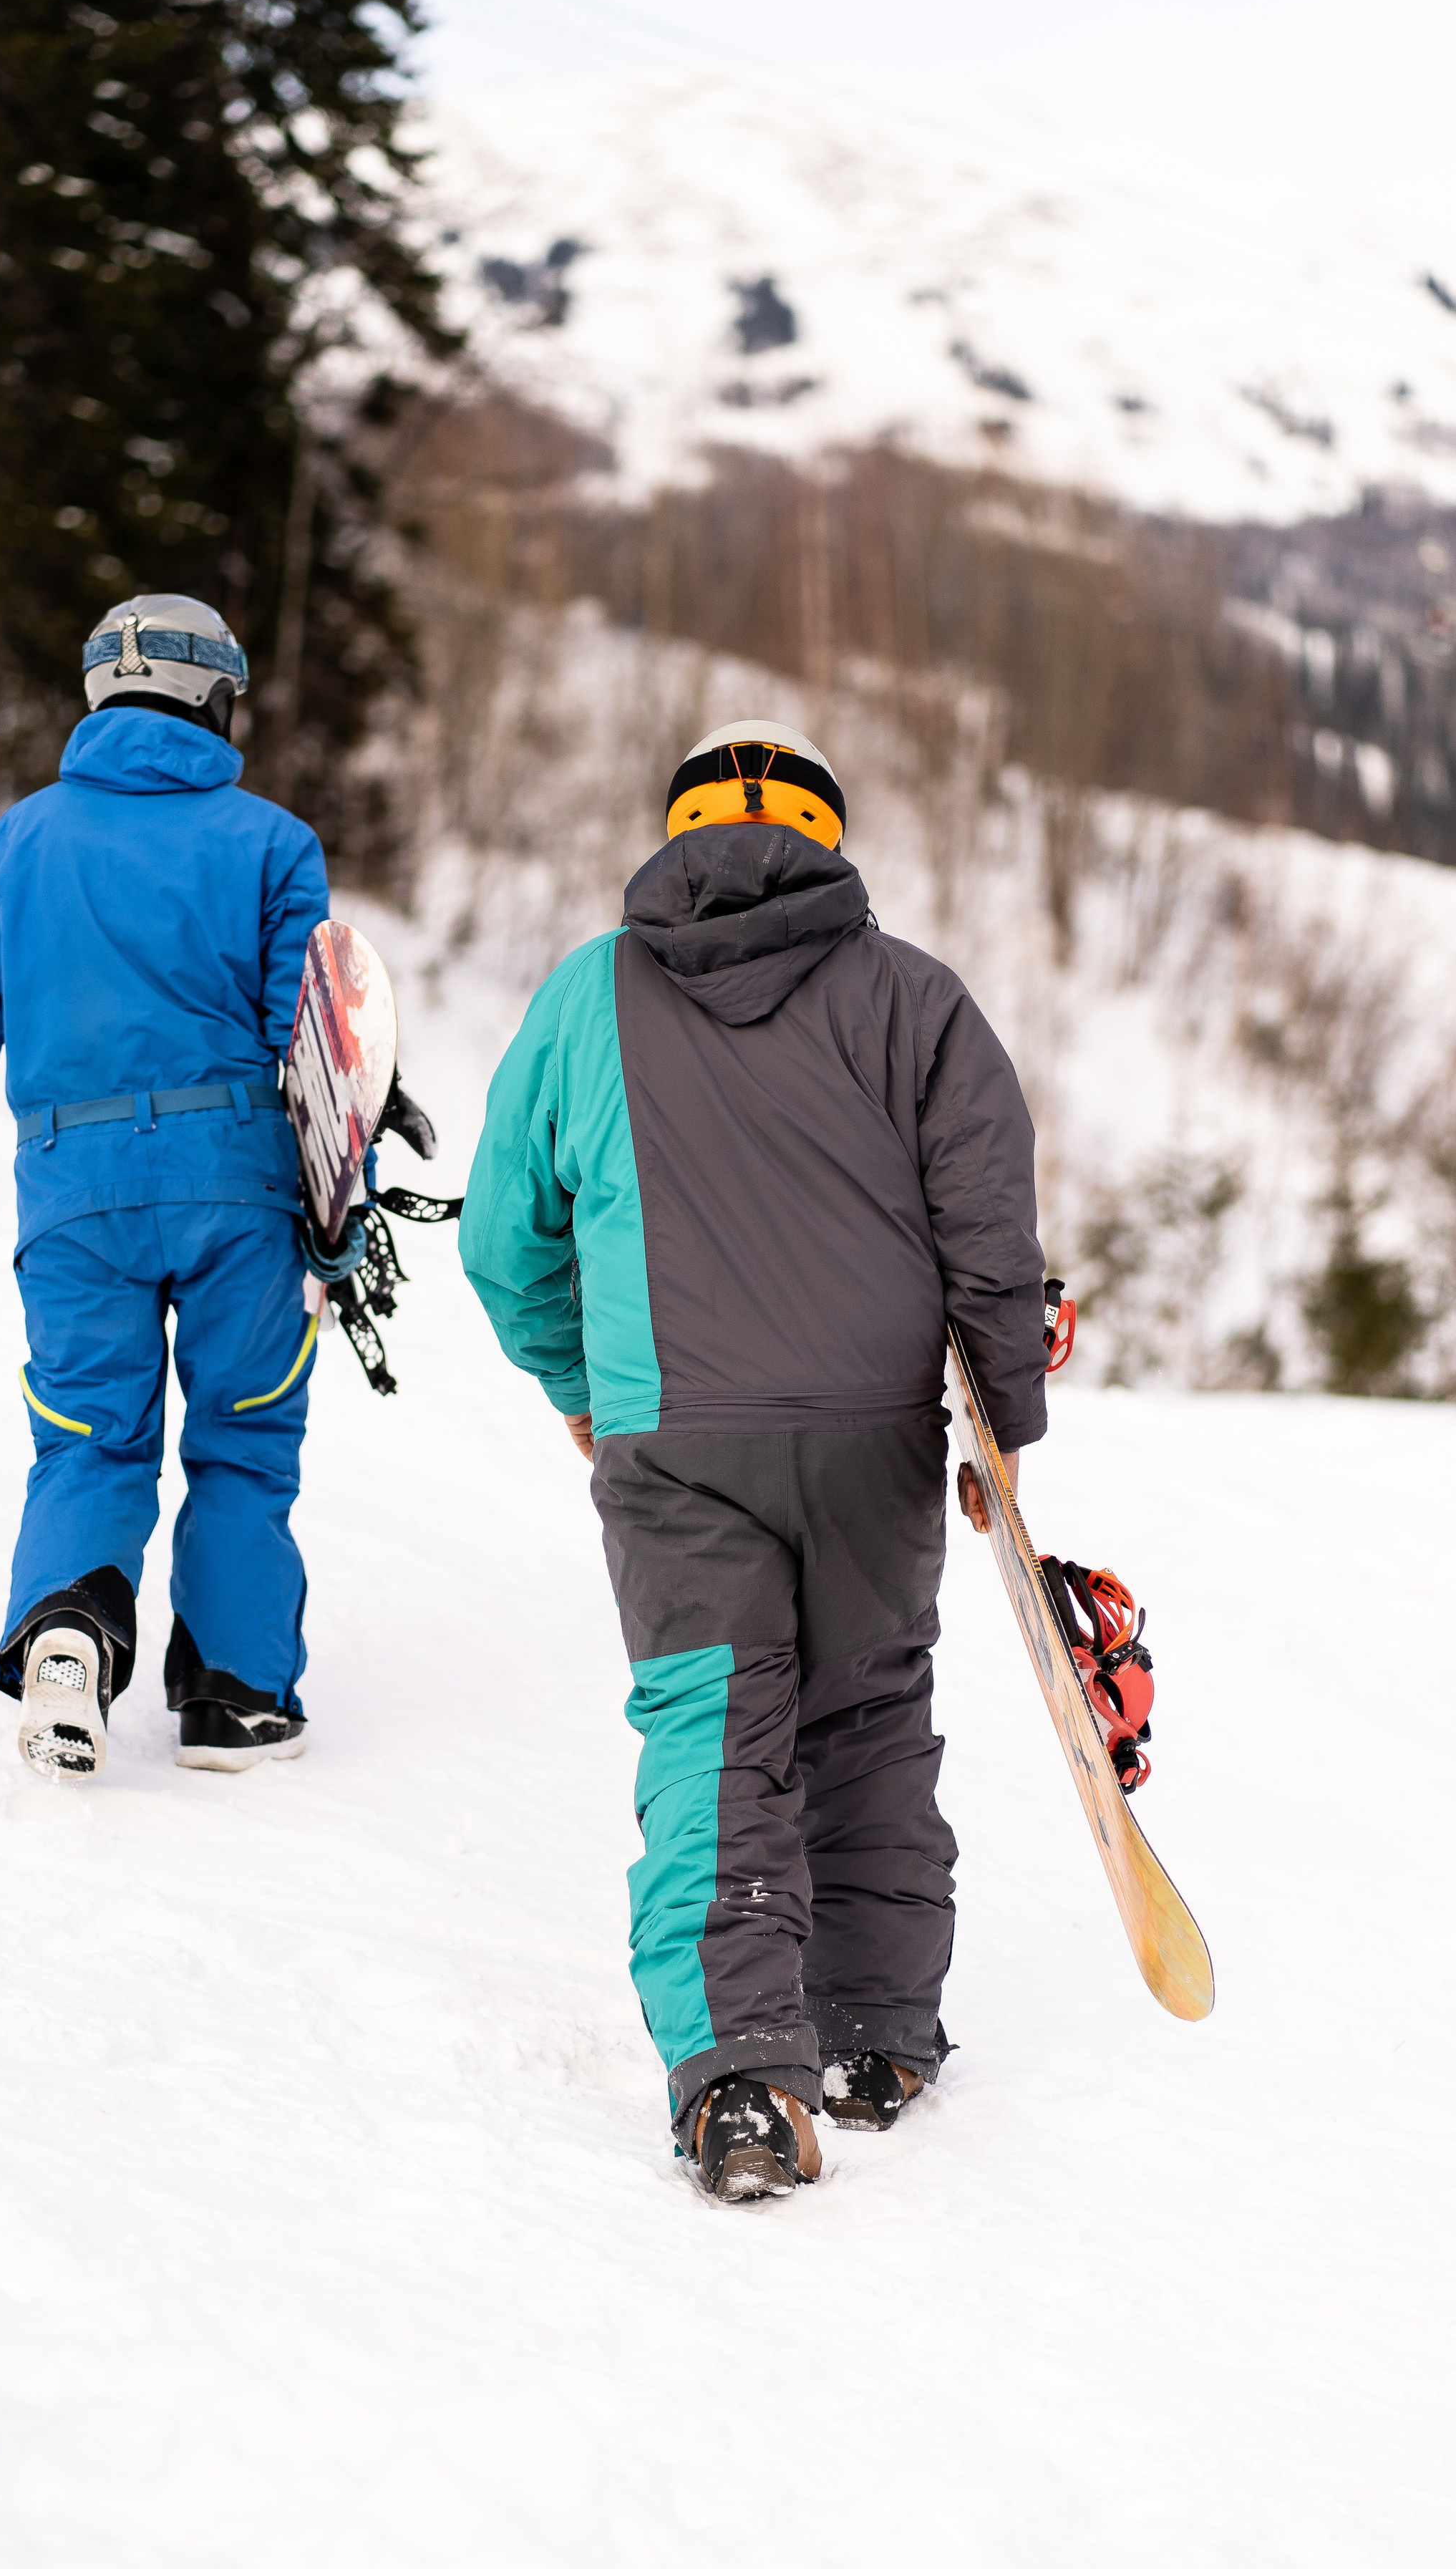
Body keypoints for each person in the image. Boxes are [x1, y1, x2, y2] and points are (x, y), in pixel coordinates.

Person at [458, 721, 1047, 2200]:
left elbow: (498, 1235)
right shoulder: (913, 998)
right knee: (863, 1720)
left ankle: (737, 2080)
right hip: (871, 1440)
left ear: (670, 835)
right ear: (828, 843)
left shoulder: (585, 996)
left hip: (676, 1439)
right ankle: (874, 2032)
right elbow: (989, 1236)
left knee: (711, 1743)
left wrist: (582, 1384)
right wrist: (1005, 1429)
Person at [0, 591, 349, 1781]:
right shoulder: (271, 841)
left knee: (87, 1439)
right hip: (235, 1188)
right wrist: (339, 1195)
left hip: (74, 1191)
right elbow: (312, 1036)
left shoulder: (21, 839)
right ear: (217, 695)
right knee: (246, 1443)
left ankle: (68, 1634)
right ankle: (235, 1696)